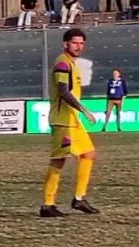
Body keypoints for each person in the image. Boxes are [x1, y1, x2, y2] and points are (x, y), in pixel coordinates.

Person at [40, 28, 100, 218]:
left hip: (72, 120)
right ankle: (47, 205)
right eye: (75, 43)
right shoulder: (62, 64)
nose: (79, 46)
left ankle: (79, 198)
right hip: (63, 121)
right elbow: (63, 91)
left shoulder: (72, 64)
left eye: (82, 43)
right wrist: (84, 110)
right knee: (58, 160)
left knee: (88, 154)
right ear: (65, 44)